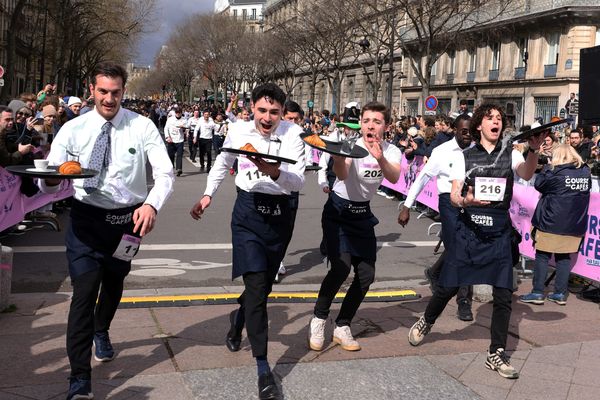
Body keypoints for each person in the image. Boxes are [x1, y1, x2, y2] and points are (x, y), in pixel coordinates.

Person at [39, 62, 174, 400]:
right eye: (103, 92)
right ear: (92, 90)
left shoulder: (142, 126)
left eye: (115, 93)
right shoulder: (73, 129)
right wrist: (53, 178)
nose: (109, 99)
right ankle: (80, 379)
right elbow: (50, 175)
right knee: (84, 293)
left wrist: (151, 205)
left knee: (113, 284)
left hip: (127, 224)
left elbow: (166, 172)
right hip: (86, 221)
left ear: (123, 92)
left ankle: (103, 329)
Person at [407, 103, 546, 380]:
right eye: (490, 117)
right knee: (448, 286)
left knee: (504, 295)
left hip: (499, 233)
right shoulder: (464, 156)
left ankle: (496, 353)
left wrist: (533, 150)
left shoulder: (512, 154)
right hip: (470, 229)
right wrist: (467, 200)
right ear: (479, 125)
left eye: (499, 118)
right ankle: (428, 320)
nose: (496, 121)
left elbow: (527, 173)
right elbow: (455, 195)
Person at [189, 83, 305, 400]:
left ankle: (238, 318)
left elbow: (298, 180)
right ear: (252, 107)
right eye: (262, 110)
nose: (267, 118)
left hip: (280, 217)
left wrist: (275, 171)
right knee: (257, 288)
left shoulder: (293, 135)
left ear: (282, 112)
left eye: (274, 112)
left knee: (262, 287)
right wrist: (207, 195)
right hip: (248, 215)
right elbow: (223, 164)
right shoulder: (239, 132)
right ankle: (263, 368)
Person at [308, 101, 401, 353]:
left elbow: (393, 177)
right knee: (340, 268)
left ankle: (342, 325)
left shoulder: (392, 151)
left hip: (362, 215)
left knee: (367, 275)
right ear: (360, 124)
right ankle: (318, 318)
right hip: (338, 212)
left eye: (377, 121)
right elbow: (341, 175)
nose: (371, 126)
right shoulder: (351, 146)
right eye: (367, 120)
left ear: (386, 126)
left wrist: (380, 157)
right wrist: (339, 158)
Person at [398, 114, 474, 321]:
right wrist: (406, 206)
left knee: (461, 248)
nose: (468, 136)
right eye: (463, 131)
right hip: (448, 204)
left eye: (471, 131)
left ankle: (435, 271)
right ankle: (463, 300)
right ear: (455, 130)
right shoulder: (442, 151)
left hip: (470, 203)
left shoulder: (477, 150)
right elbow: (423, 178)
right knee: (460, 250)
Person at [519, 144, 591, 305]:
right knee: (564, 257)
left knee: (542, 256)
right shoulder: (586, 172)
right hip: (574, 224)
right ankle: (559, 293)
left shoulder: (554, 173)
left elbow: (539, 184)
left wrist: (546, 168)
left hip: (550, 222)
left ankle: (538, 292)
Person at [164, 108, 186, 176]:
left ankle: (179, 169)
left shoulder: (184, 120)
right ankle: (171, 166)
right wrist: (167, 137)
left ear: (181, 113)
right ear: (175, 113)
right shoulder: (170, 119)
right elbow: (166, 128)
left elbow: (186, 128)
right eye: (177, 112)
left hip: (180, 140)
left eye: (179, 112)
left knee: (179, 155)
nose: (178, 113)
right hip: (171, 140)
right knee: (171, 155)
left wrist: (183, 128)